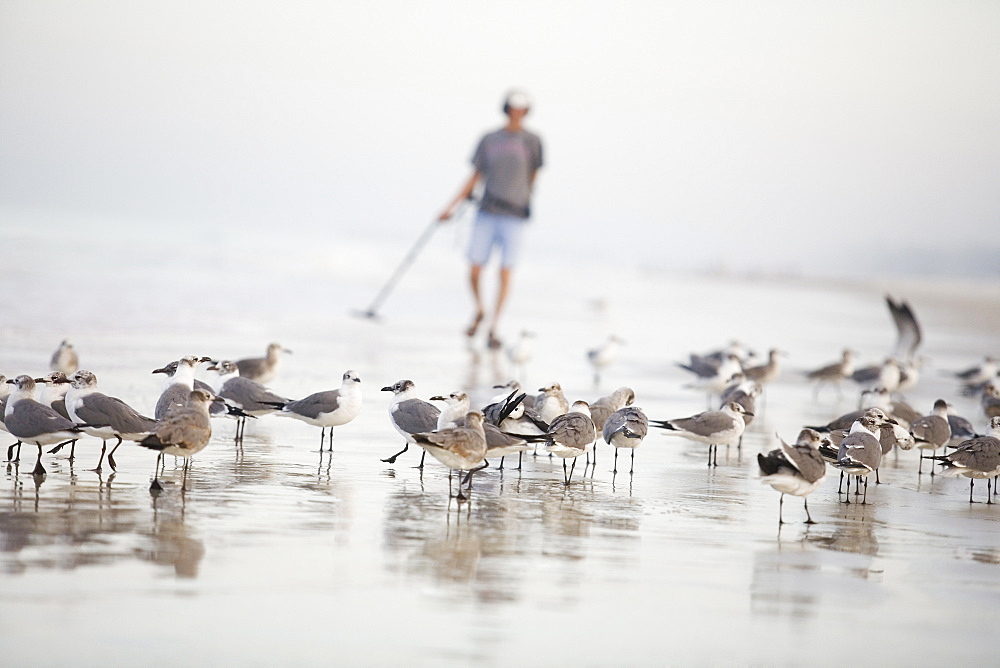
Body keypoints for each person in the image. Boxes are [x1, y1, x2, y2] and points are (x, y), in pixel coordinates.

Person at [438, 89, 544, 350]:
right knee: (475, 268)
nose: (517, 113)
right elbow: (475, 175)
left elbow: (534, 174)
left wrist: (526, 197)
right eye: (513, 108)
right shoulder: (489, 139)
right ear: (506, 109)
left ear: (527, 111)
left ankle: (494, 326)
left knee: (505, 272)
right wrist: (450, 207)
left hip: (515, 215)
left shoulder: (533, 141)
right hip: (487, 211)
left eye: (521, 108)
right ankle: (480, 309)